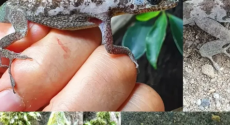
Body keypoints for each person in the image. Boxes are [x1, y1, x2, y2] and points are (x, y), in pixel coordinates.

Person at [0, 22, 164, 111]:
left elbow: (109, 49)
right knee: (21, 32)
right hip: (23, 8)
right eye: (153, 0)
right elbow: (109, 48)